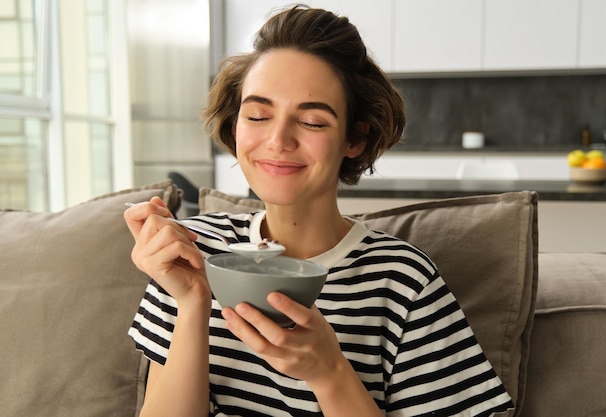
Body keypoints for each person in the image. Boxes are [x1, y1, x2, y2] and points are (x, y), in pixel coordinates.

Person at [124, 5, 514, 417]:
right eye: (257, 115)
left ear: (355, 139)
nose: (278, 140)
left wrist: (330, 372)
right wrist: (192, 304)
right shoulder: (192, 253)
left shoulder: (402, 281)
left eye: (311, 122)